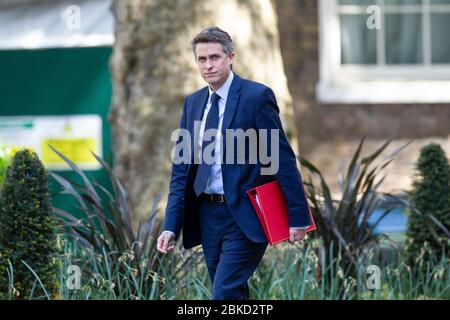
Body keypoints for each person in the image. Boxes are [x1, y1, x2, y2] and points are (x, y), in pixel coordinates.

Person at [157, 26, 312, 300]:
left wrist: (298, 217)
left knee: (224, 292)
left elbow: (281, 158)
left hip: (244, 215)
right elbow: (181, 171)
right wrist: (171, 225)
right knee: (231, 292)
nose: (208, 65)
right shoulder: (192, 104)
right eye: (202, 59)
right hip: (207, 216)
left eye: (215, 57)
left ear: (231, 57)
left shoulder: (256, 97)